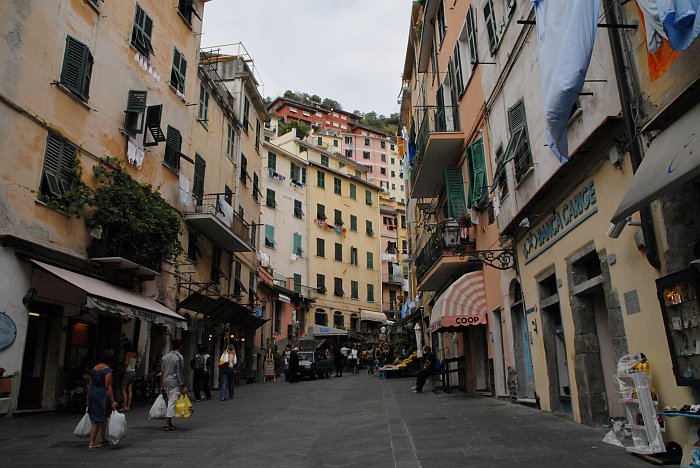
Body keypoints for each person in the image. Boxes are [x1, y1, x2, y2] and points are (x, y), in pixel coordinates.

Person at [87, 349, 117, 451]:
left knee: (103, 417)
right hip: (101, 395)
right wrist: (112, 401)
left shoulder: (94, 369)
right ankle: (91, 443)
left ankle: (103, 438)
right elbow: (107, 387)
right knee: (98, 419)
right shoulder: (108, 371)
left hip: (93, 393)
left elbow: (90, 384)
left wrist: (88, 396)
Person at [161, 339, 186, 431]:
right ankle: (167, 423)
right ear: (180, 346)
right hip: (174, 382)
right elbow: (179, 372)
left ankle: (170, 422)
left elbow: (162, 371)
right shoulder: (179, 357)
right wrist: (182, 385)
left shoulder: (165, 357)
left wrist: (162, 384)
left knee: (170, 401)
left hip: (166, 381)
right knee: (172, 402)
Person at [121, 343, 137, 411]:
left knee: (123, 388)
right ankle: (128, 405)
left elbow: (126, 363)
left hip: (128, 371)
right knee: (130, 389)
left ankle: (125, 405)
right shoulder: (135, 354)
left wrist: (122, 361)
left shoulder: (128, 353)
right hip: (133, 372)